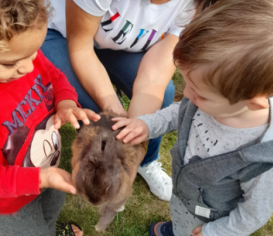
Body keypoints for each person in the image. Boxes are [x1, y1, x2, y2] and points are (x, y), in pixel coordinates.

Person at [111, 0, 273, 235]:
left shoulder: (263, 163)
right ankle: (176, 228)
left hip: (210, 222)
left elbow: (253, 214)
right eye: (186, 84)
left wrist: (215, 232)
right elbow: (182, 111)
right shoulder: (218, 99)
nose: (186, 95)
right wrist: (148, 124)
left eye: (198, 94)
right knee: (181, 222)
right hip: (186, 197)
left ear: (252, 101)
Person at [41, 0, 197, 201]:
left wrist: (134, 141)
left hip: (118, 45)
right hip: (64, 34)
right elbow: (81, 47)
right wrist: (114, 112)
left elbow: (155, 78)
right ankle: (96, 168)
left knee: (164, 95)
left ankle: (145, 161)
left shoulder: (195, 5)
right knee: (93, 111)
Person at [0, 1, 100, 235]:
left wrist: (65, 103)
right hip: (5, 204)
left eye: (34, 52)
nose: (29, 67)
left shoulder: (20, 52)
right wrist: (41, 177)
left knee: (50, 211)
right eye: (10, 63)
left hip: (48, 170)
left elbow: (55, 77)